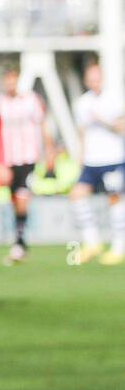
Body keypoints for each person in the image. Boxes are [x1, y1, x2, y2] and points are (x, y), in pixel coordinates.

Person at [0, 67, 56, 264]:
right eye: (7, 80)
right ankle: (20, 241)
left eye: (13, 80)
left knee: (22, 198)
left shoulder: (31, 100)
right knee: (14, 200)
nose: (10, 84)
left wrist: (50, 153)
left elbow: (43, 126)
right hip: (8, 160)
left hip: (28, 159)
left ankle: (19, 244)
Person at [70, 61, 125, 265]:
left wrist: (102, 119)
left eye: (97, 78)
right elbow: (82, 133)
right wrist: (80, 157)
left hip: (113, 158)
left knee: (115, 200)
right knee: (77, 195)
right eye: (90, 79)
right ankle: (92, 242)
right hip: (92, 160)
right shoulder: (82, 103)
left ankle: (119, 247)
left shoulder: (115, 98)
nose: (94, 82)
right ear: (86, 81)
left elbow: (121, 128)